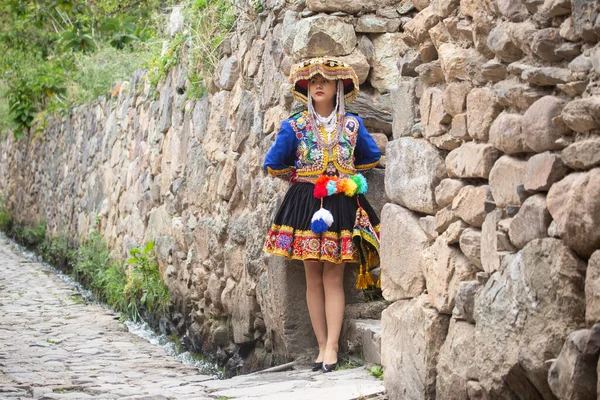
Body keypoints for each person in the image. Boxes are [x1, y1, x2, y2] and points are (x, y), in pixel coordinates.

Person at [262, 58, 381, 373]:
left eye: (326, 81)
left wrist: (347, 176)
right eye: (313, 80)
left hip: (341, 204)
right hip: (307, 206)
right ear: (305, 86)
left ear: (338, 86)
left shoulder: (352, 125)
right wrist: (303, 177)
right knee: (312, 276)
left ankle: (331, 348)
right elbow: (273, 162)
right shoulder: (295, 125)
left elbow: (370, 156)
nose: (318, 85)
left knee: (334, 276)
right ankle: (319, 345)